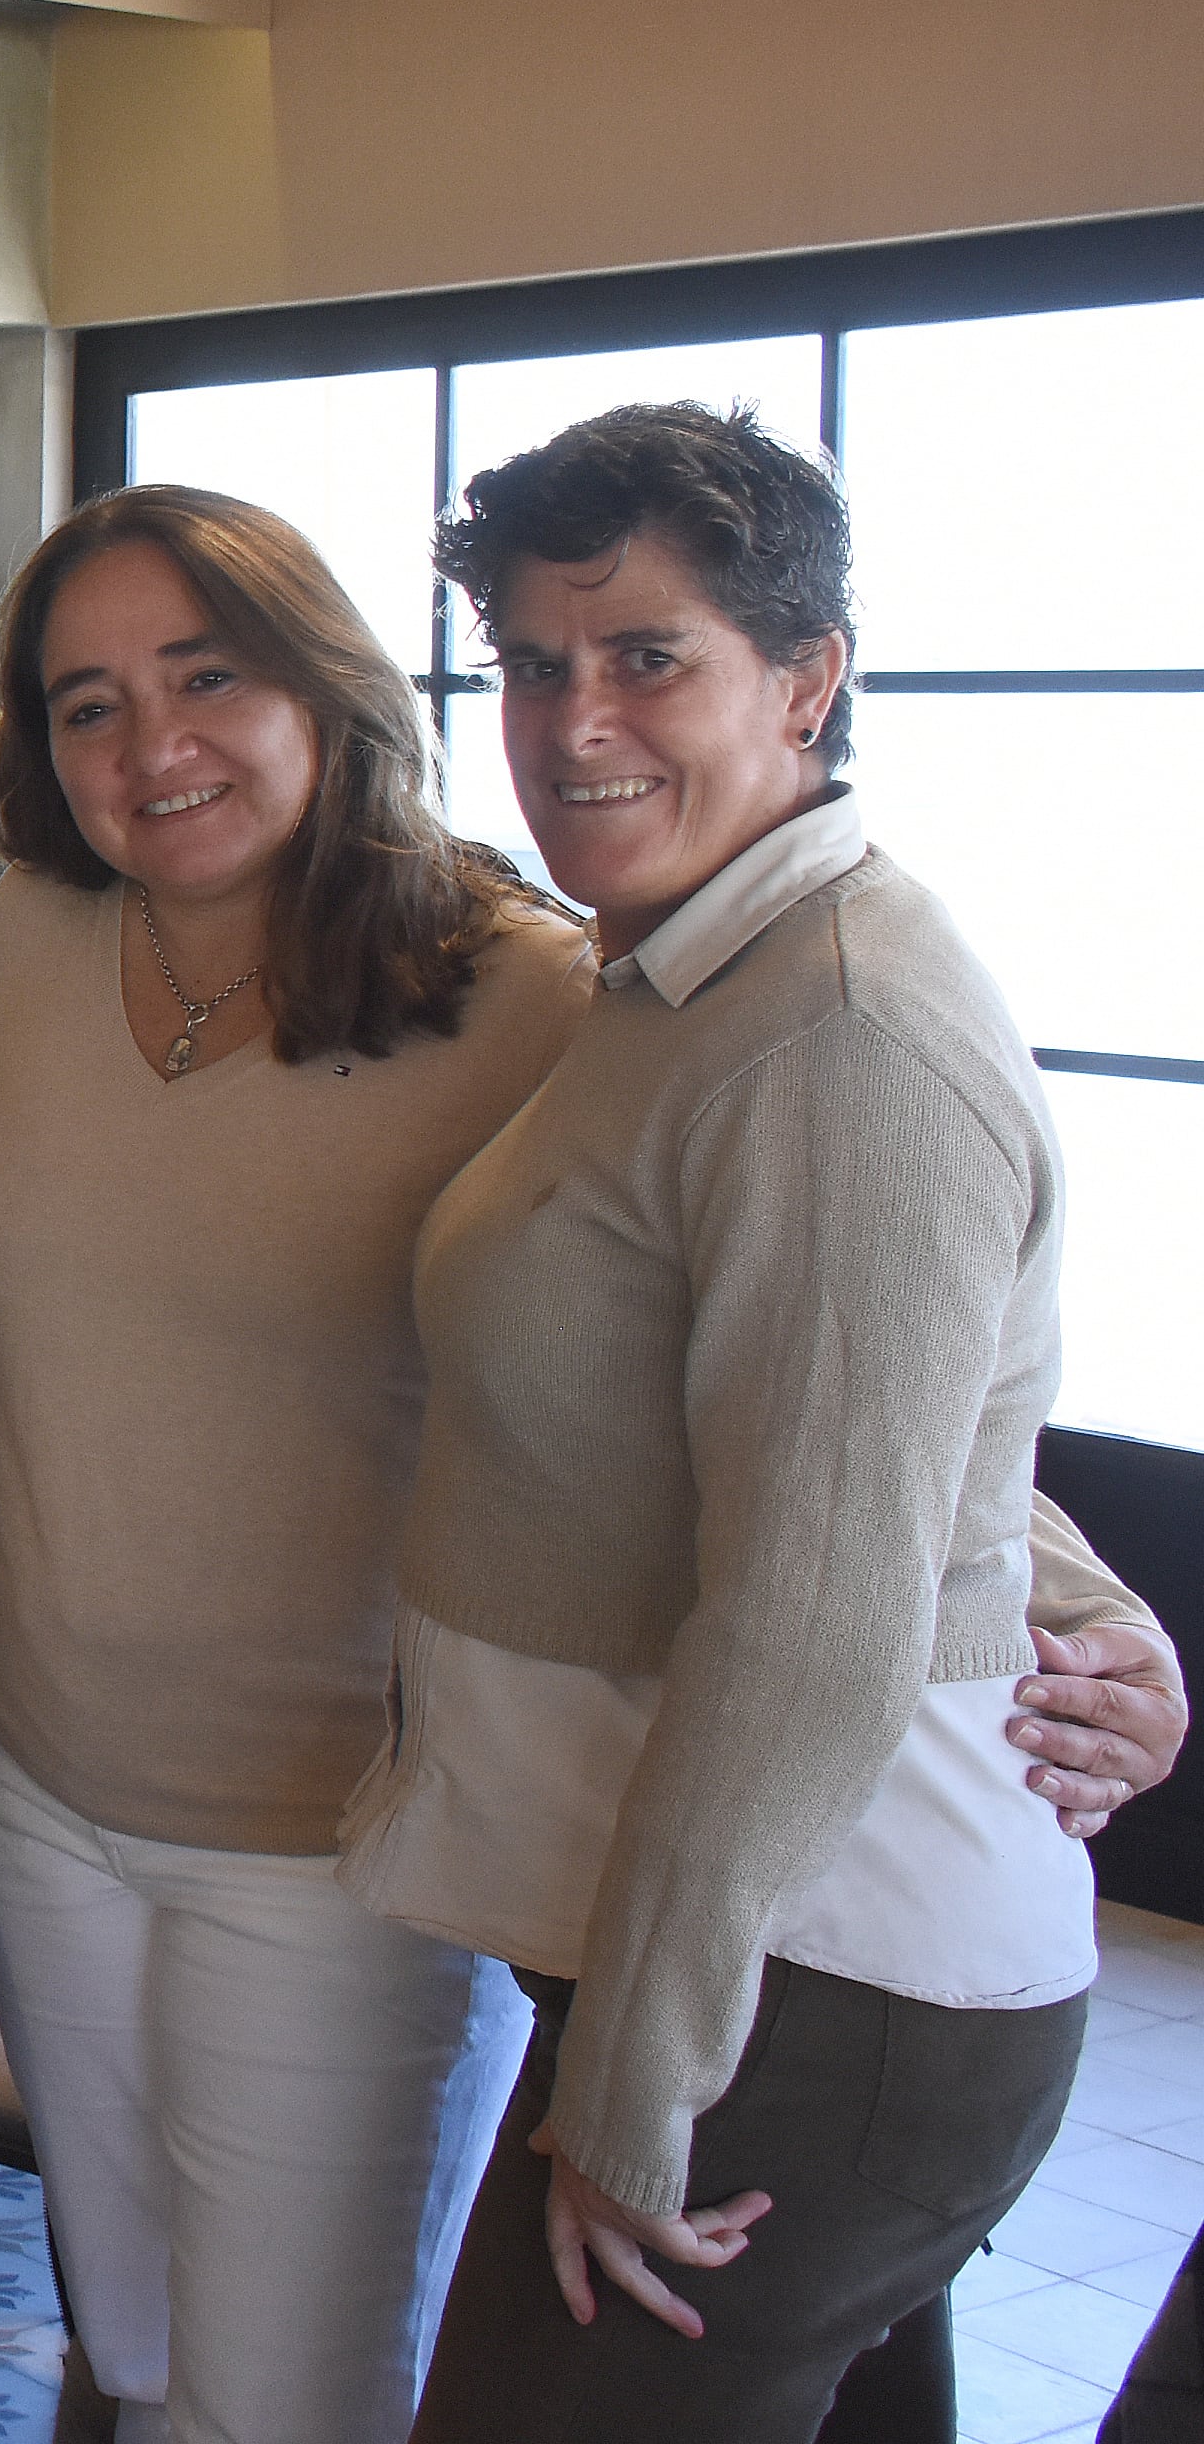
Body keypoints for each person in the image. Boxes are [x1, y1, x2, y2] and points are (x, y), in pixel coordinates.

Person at [344, 401, 1172, 2443]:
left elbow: (816, 1611)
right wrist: (1088, 1583)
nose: (573, 718)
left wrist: (636, 2083)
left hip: (821, 1990)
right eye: (533, 663)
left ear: (806, 681)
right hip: (749, 1966)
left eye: (648, 655)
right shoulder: (686, 976)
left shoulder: (843, 1026)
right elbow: (872, 1392)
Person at [0, 485, 592, 2444]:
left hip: (340, 1836)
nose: (150, 746)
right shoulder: (42, 926)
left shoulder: (526, 994)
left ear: (323, 677)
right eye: (86, 702)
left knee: (283, 2405)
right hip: (40, 1784)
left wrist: (1053, 1592)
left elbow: (776, 1309)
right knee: (134, 2350)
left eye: (205, 674)